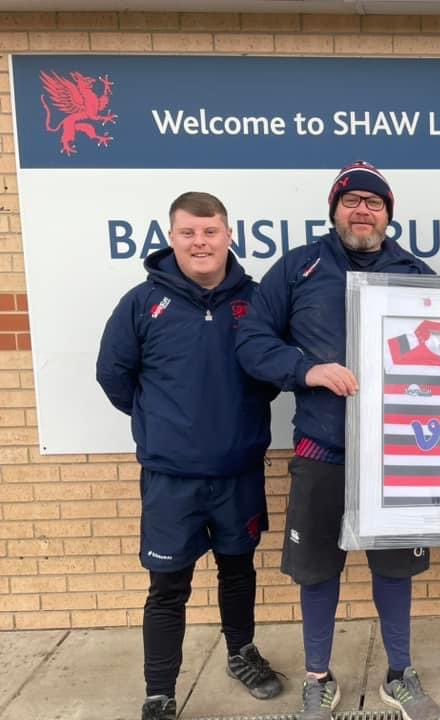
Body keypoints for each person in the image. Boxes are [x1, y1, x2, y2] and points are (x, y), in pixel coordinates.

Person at [234, 161, 440, 720]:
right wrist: (307, 369)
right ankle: (317, 677)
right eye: (352, 201)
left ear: (388, 215)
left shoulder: (415, 273)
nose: (362, 211)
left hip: (396, 456)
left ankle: (399, 673)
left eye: (374, 203)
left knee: (395, 570)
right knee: (317, 570)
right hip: (322, 451)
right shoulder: (298, 268)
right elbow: (251, 341)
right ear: (334, 209)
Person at [96, 192, 283, 720]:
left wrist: (235, 419)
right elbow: (114, 376)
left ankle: (241, 653)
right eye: (188, 233)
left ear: (228, 236)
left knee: (238, 570)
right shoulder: (142, 302)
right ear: (172, 237)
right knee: (167, 587)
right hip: (171, 479)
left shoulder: (255, 300)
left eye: (210, 232)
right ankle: (160, 691)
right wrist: (163, 423)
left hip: (237, 472)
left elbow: (268, 374)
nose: (199, 242)